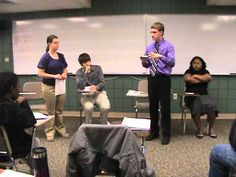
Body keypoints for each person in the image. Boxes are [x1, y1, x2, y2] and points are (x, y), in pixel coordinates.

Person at [141, 22, 175, 145]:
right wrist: (144, 62)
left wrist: (160, 56)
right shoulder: (149, 47)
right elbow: (148, 63)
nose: (152, 35)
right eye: (151, 32)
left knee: (165, 107)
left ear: (161, 32)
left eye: (154, 32)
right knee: (153, 106)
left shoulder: (169, 46)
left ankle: (166, 134)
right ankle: (154, 132)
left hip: (164, 79)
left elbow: (172, 62)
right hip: (152, 78)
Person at [37, 34, 69, 142]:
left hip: (60, 86)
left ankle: (60, 128)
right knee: (51, 111)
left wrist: (65, 74)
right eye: (55, 42)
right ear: (49, 44)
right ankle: (50, 131)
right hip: (48, 87)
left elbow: (65, 69)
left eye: (58, 42)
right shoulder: (45, 57)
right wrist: (54, 76)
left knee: (59, 110)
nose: (57, 44)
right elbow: (40, 73)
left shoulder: (61, 56)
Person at [0, 71, 36, 160]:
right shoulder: (14, 109)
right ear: (12, 89)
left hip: (2, 152)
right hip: (15, 151)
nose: (19, 89)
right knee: (35, 143)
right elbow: (31, 122)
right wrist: (25, 104)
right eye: (17, 86)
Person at [183, 56, 218, 138]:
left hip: (204, 95)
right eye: (194, 63)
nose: (195, 65)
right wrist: (202, 79)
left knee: (212, 106)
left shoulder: (205, 71)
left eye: (198, 63)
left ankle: (211, 129)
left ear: (202, 64)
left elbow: (209, 78)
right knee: (196, 107)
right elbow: (188, 79)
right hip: (191, 96)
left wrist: (195, 76)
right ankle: (200, 128)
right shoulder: (188, 71)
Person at [76, 53, 110, 124]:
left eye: (88, 61)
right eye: (85, 63)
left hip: (99, 93)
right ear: (82, 64)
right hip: (86, 95)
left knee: (106, 107)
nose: (87, 64)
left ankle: (103, 121)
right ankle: (88, 124)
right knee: (88, 108)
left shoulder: (98, 68)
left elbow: (102, 82)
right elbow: (81, 86)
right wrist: (85, 73)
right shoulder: (79, 73)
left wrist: (96, 87)